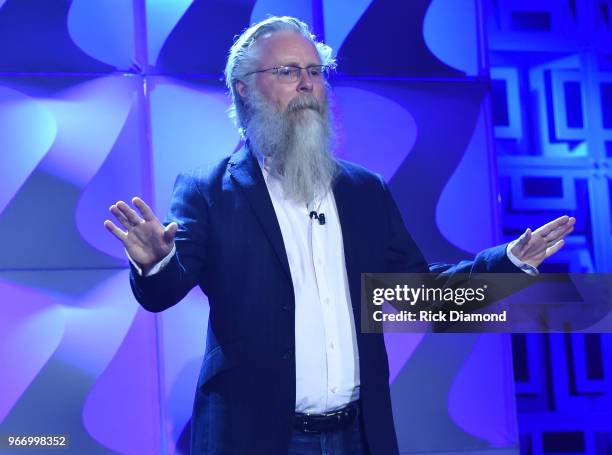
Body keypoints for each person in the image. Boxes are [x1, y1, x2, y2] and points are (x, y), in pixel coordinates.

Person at [104, 16, 575, 455]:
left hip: (357, 436)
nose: (308, 84)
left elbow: (418, 295)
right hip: (256, 438)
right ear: (244, 89)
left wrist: (509, 264)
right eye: (289, 71)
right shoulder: (208, 191)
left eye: (315, 70)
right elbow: (164, 293)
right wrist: (154, 263)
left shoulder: (363, 190)